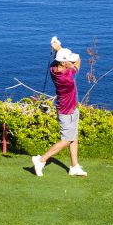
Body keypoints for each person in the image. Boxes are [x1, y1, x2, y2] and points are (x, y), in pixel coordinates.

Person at [32, 36, 87, 177]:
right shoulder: (67, 77)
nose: (72, 61)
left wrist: (58, 49)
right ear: (64, 63)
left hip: (71, 109)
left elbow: (65, 60)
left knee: (73, 137)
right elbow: (79, 61)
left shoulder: (53, 68)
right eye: (69, 60)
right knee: (67, 140)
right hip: (66, 111)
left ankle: (74, 166)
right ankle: (41, 160)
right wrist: (60, 49)